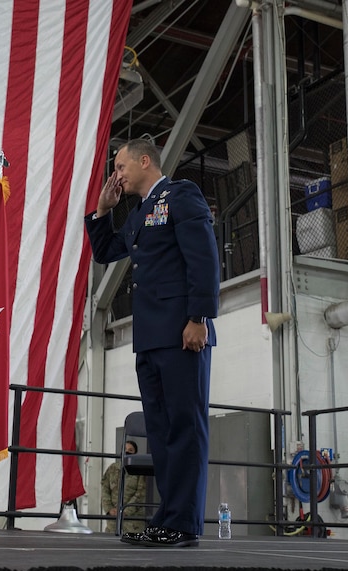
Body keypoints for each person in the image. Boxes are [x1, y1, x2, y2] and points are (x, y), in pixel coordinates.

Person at [84, 138, 219, 548]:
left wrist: (199, 318)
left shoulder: (180, 195)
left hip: (182, 332)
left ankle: (184, 522)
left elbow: (204, 257)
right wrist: (103, 211)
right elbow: (107, 250)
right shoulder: (140, 213)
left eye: (122, 166)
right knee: (160, 431)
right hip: (150, 337)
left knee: (185, 426)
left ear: (146, 161)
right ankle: (169, 517)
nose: (117, 173)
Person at [101, 440, 147, 534]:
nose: (127, 451)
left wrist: (126, 511)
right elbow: (104, 489)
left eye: (131, 450)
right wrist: (109, 509)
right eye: (125, 449)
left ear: (135, 453)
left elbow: (141, 493)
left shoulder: (139, 470)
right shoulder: (112, 468)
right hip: (113, 518)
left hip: (133, 520)